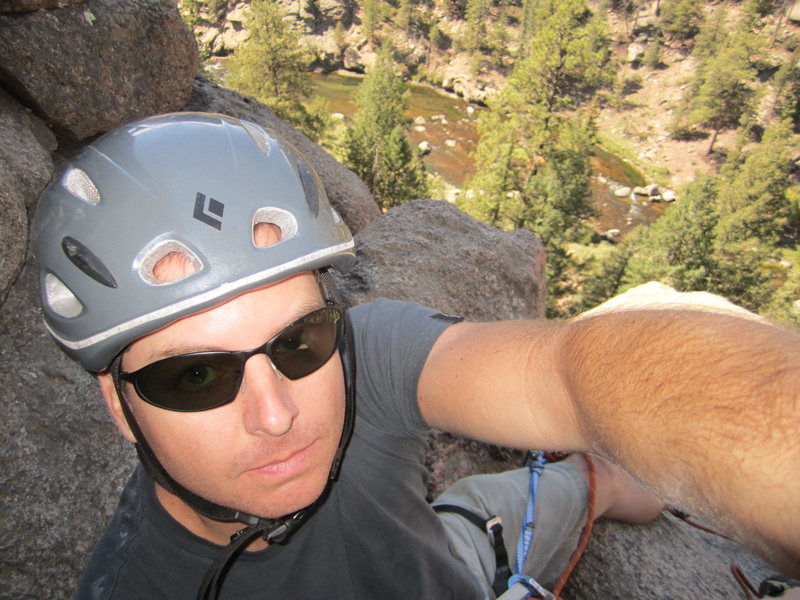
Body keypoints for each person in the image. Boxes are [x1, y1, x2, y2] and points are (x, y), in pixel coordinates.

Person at [32, 113, 799, 600]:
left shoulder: (364, 357)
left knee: (582, 489)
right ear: (118, 403)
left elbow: (570, 372)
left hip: (452, 557)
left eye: (299, 341)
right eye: (196, 375)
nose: (277, 415)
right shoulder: (135, 585)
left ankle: (598, 483)